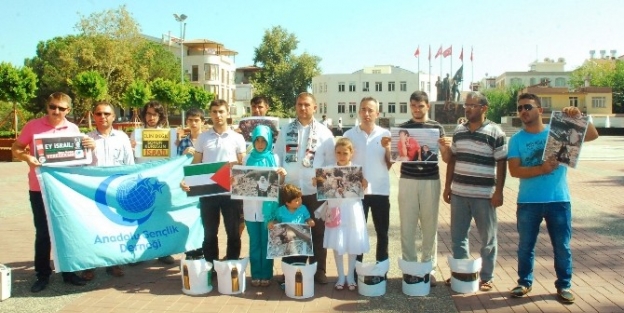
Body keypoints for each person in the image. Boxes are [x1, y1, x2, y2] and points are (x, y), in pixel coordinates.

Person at [507, 93, 599, 304]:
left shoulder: (559, 130)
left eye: (528, 107)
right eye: (520, 108)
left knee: (562, 246)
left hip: (558, 199)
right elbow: (514, 170)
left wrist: (578, 116)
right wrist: (541, 168)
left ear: (540, 110)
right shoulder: (517, 139)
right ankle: (524, 282)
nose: (523, 111)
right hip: (528, 201)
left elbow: (593, 135)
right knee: (525, 246)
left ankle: (564, 285)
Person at [11, 92, 94, 292]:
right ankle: (42, 275)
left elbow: (81, 156)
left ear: (68, 110)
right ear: (47, 106)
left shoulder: (73, 128)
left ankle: (68, 272)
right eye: (52, 106)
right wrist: (26, 157)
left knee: (66, 231)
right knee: (43, 234)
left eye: (61, 108)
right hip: (39, 188)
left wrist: (90, 145)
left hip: (64, 190)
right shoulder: (33, 126)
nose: (56, 111)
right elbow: (16, 148)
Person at [443, 91, 507, 291]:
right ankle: (462, 273)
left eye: (472, 105)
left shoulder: (496, 133)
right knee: (458, 236)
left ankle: (487, 276)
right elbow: (452, 160)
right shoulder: (459, 131)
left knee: (487, 237)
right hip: (460, 193)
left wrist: (499, 192)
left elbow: (502, 163)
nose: (468, 108)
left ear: (484, 108)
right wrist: (447, 186)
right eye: (466, 105)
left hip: (484, 195)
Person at [274, 92, 336, 284]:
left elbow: (331, 162)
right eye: (300, 104)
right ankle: (290, 270)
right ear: (295, 106)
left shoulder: (325, 133)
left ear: (315, 108)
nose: (303, 108)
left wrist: (322, 180)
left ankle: (319, 271)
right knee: (290, 231)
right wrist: (279, 169)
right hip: (290, 190)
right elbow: (277, 155)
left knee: (318, 231)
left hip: (314, 191)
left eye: (307, 105)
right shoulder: (286, 130)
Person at [181, 100, 246, 269]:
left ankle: (231, 265)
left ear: (227, 113)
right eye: (215, 111)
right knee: (209, 234)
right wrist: (186, 179)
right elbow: (196, 162)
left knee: (233, 233)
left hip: (231, 193)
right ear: (210, 114)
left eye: (221, 111)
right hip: (208, 193)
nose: (218, 115)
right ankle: (211, 268)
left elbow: (242, 163)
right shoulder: (203, 137)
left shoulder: (237, 137)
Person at [397, 91, 451, 286]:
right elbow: (398, 157)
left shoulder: (437, 127)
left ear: (427, 106)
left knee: (429, 225)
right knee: (407, 225)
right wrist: (390, 147)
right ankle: (410, 268)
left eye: (420, 106)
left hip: (430, 180)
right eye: (413, 106)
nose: (417, 109)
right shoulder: (403, 128)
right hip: (408, 180)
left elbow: (446, 158)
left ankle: (429, 268)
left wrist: (445, 147)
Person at [81, 101, 134, 281]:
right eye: (98, 113)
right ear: (93, 116)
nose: (102, 117)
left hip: (115, 191)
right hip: (92, 192)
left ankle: (114, 263)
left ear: (113, 116)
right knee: (92, 229)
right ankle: (90, 265)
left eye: (106, 113)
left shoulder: (122, 138)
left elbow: (129, 165)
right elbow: (79, 168)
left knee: (114, 228)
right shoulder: (85, 138)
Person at [316, 138, 369, 291]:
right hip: (335, 209)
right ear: (335, 153)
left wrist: (364, 184)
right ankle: (340, 276)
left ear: (351, 154)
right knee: (336, 242)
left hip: (352, 209)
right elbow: (323, 188)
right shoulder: (328, 170)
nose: (341, 156)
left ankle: (350, 276)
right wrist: (318, 182)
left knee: (353, 242)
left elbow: (362, 190)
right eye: (338, 153)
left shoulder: (357, 170)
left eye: (345, 153)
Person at [344, 97, 392, 265]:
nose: (366, 113)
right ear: (359, 112)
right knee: (357, 233)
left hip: (380, 190)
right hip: (357, 192)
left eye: (370, 110)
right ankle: (356, 270)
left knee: (382, 232)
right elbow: (344, 164)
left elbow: (390, 163)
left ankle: (382, 267)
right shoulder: (349, 135)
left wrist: (388, 149)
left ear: (377, 113)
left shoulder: (386, 134)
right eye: (363, 109)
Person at [131, 100, 175, 265]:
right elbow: (130, 159)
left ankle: (163, 251)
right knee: (141, 218)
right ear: (144, 115)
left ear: (160, 116)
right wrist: (130, 147)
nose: (151, 117)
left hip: (160, 183)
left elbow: (172, 160)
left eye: (154, 114)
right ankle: (138, 253)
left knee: (160, 217)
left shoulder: (167, 135)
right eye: (148, 114)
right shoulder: (135, 134)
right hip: (141, 183)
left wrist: (175, 146)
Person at [242, 125, 286, 287]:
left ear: (269, 141)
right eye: (257, 140)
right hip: (250, 208)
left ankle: (266, 274)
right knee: (254, 242)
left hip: (268, 209)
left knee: (267, 241)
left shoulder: (274, 158)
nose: (260, 144)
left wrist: (282, 176)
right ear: (253, 141)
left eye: (263, 140)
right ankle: (256, 274)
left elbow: (278, 183)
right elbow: (242, 181)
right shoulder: (247, 159)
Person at [176, 108, 206, 259]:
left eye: (196, 120)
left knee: (204, 219)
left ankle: (203, 250)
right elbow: (177, 165)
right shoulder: (183, 142)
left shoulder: (207, 139)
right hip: (188, 184)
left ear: (202, 122)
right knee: (190, 218)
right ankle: (190, 251)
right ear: (186, 122)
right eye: (190, 120)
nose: (193, 123)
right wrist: (183, 154)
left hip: (205, 184)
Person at [267, 184, 315, 269]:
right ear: (287, 203)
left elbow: (308, 218)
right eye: (296, 200)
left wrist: (310, 221)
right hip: (286, 244)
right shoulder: (280, 211)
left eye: (300, 198)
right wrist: (272, 223)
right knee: (287, 262)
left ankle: (299, 278)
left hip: (301, 243)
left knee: (301, 262)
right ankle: (287, 279)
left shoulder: (303, 208)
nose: (299, 201)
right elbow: (277, 221)